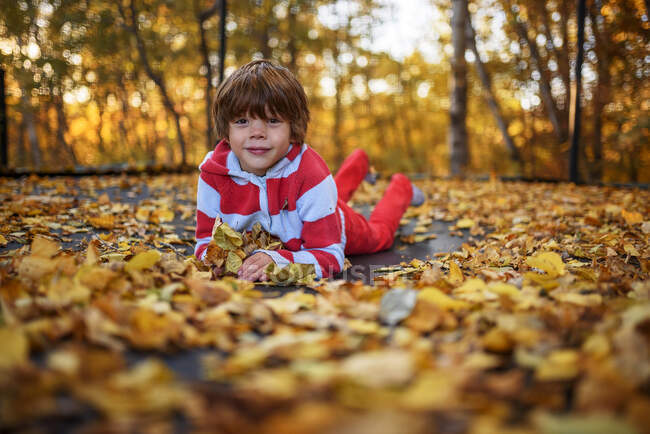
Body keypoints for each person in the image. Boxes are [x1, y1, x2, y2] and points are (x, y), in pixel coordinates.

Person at [194, 59, 425, 282]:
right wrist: (220, 262)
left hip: (336, 225)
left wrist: (277, 261)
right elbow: (205, 245)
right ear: (226, 130)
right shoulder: (213, 174)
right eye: (242, 121)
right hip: (304, 210)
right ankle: (359, 161)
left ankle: (401, 187)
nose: (257, 132)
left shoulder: (311, 174)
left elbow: (330, 257)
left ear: (293, 128)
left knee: (380, 235)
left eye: (273, 120)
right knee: (326, 196)